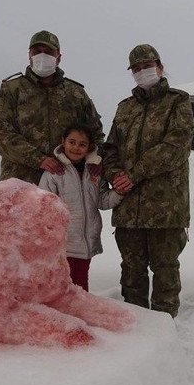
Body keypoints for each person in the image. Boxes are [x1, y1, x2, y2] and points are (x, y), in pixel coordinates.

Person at [102, 44, 194, 318]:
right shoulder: (125, 108)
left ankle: (165, 330)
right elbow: (110, 149)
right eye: (137, 68)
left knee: (165, 271)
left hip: (165, 209)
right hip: (129, 208)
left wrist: (134, 174)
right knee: (131, 274)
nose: (143, 72)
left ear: (160, 66)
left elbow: (175, 146)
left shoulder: (178, 102)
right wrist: (115, 175)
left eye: (148, 65)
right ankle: (136, 331)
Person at [0, 30, 104, 184]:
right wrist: (38, 159)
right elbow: (1, 135)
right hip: (21, 183)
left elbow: (95, 133)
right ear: (29, 55)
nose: (42, 56)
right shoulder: (12, 89)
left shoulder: (76, 93)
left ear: (58, 58)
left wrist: (95, 159)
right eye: (37, 51)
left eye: (49, 52)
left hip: (66, 183)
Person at [38, 123, 122, 291]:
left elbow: (102, 201)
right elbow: (44, 207)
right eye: (72, 142)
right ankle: (63, 316)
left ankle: (80, 314)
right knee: (62, 287)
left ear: (90, 147)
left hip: (86, 242)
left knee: (81, 287)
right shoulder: (54, 172)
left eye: (82, 144)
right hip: (64, 245)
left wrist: (119, 192)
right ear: (63, 142)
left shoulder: (94, 172)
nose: (76, 148)